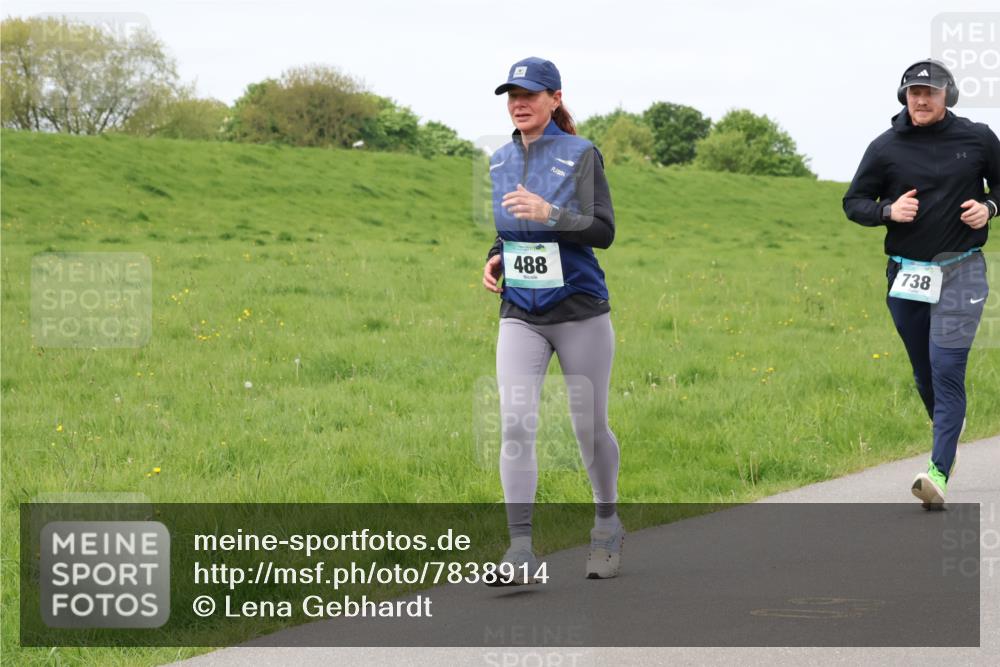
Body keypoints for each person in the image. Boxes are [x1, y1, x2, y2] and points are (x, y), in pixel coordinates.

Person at [481, 57, 623, 582]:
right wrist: (496, 254)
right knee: (515, 424)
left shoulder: (582, 155)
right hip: (520, 311)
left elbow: (603, 230)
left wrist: (552, 216)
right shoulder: (497, 160)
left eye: (530, 94)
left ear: (554, 99)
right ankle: (520, 550)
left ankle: (607, 523)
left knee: (588, 428)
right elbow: (508, 227)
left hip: (578, 310)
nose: (519, 102)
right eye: (512, 95)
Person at [843, 58, 999, 508]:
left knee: (947, 368)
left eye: (930, 92)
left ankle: (937, 472)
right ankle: (948, 424)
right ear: (903, 97)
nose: (922, 99)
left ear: (947, 94)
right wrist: (887, 212)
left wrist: (988, 208)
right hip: (906, 275)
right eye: (914, 92)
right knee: (924, 371)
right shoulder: (885, 147)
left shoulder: (978, 138)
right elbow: (853, 202)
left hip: (962, 269)